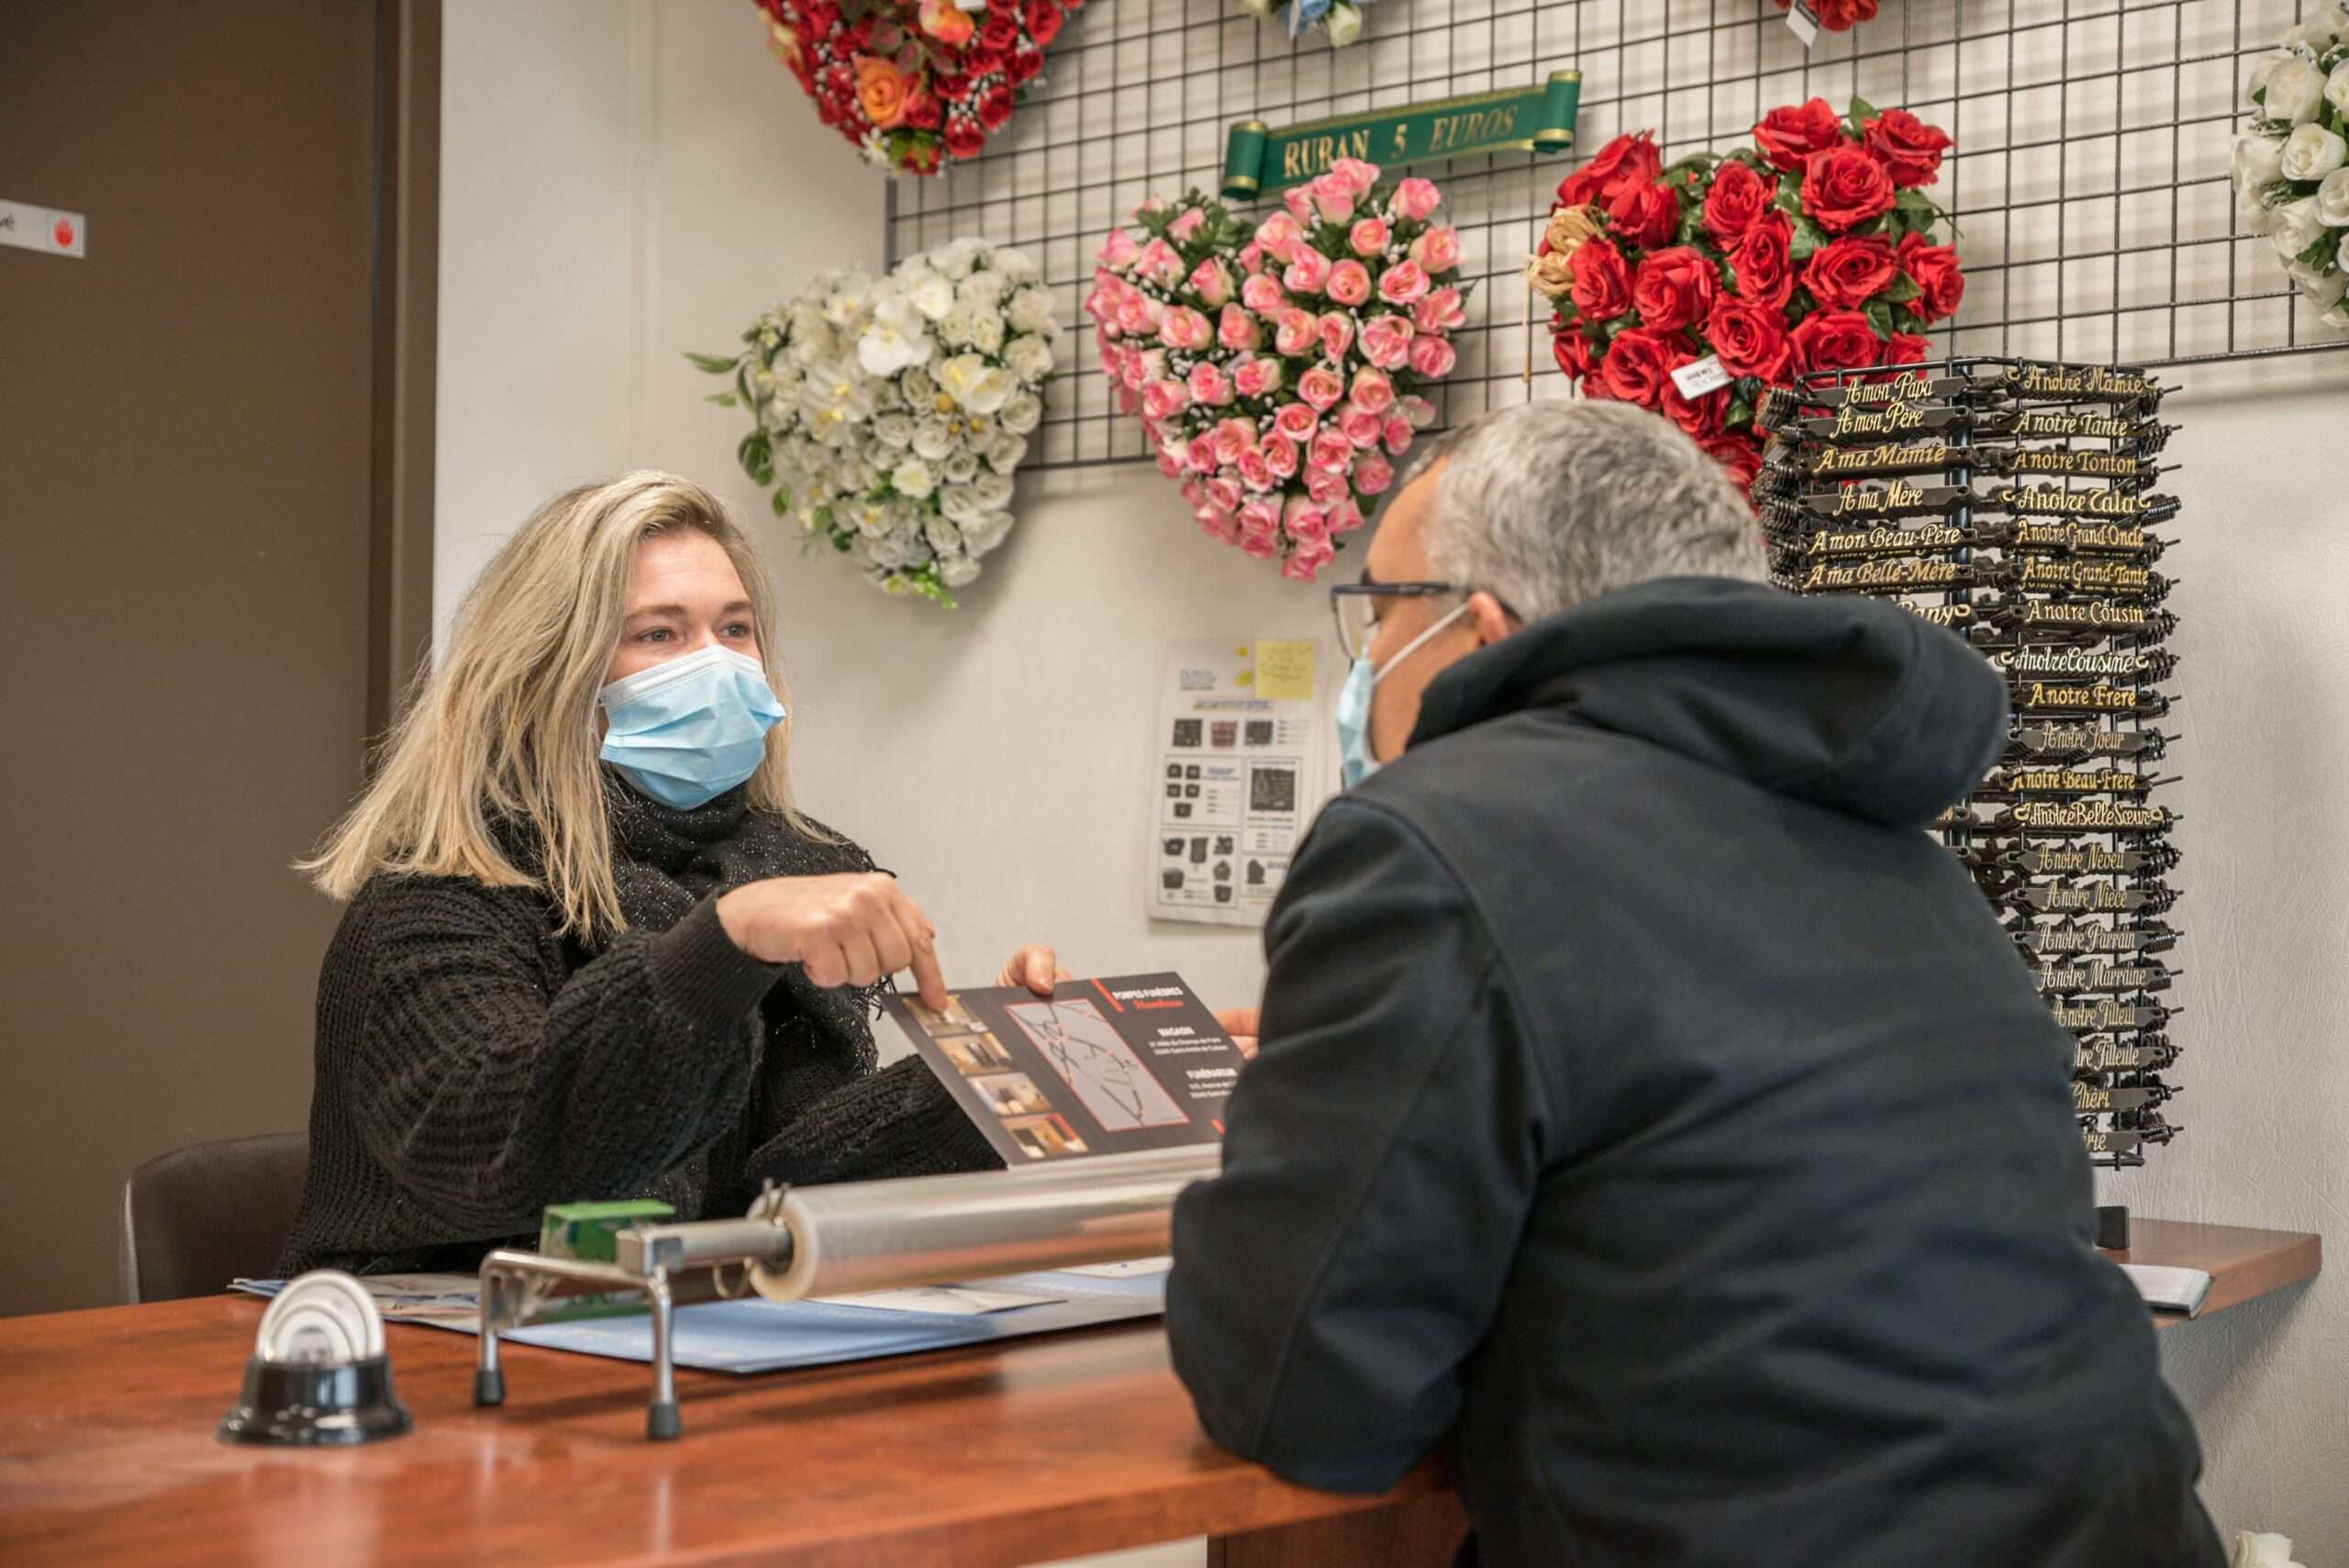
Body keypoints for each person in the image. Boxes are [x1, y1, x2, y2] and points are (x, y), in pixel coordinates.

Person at [1166, 401, 2222, 1567]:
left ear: (1477, 628)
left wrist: (1303, 1122)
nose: (1363, 661)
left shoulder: (1430, 840)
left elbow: (1307, 1399)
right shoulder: (1897, 853)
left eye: (1377, 607)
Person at [277, 472, 1056, 1275]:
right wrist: (720, 950)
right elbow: (509, 1156)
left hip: (677, 1344)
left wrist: (990, 1077)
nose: (717, 665)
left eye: (736, 628)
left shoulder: (780, 865)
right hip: (435, 1355)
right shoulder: (435, 903)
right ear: (548, 669)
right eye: (660, 634)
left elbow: (776, 1204)